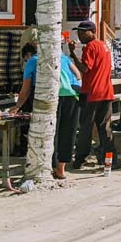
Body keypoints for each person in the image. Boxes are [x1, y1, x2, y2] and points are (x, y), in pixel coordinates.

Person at [69, 20, 114, 168]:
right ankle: (110, 159)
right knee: (104, 128)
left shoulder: (90, 47)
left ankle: (80, 159)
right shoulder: (103, 45)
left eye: (83, 31)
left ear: (92, 32)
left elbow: (85, 69)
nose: (80, 34)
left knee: (86, 128)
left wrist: (72, 54)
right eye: (79, 31)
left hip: (92, 93)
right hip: (106, 92)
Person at [53, 51, 83, 180]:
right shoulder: (64, 58)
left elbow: (27, 85)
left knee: (53, 133)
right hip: (72, 95)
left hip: (54, 97)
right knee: (68, 132)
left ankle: (52, 167)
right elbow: (77, 74)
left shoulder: (35, 60)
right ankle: (61, 169)